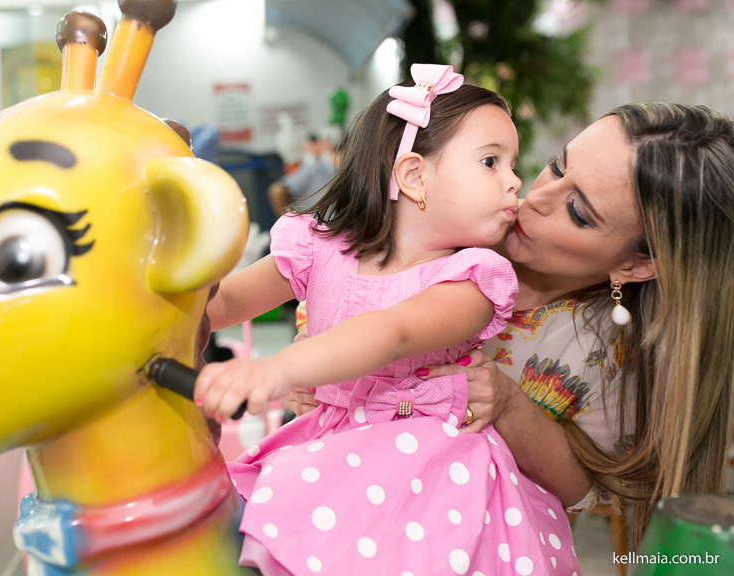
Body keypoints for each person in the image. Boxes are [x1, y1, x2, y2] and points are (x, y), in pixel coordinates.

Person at [286, 101, 734, 553]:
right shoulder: (452, 228)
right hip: (337, 510)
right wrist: (316, 349)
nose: (533, 198)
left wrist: (506, 403)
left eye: (577, 211)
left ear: (636, 265)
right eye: (557, 167)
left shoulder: (615, 351)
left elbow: (583, 492)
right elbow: (340, 282)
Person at [196, 65, 575, 576]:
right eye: (491, 162)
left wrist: (276, 369)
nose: (515, 183)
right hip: (327, 448)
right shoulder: (319, 249)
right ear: (414, 176)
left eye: (512, 163)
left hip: (429, 476)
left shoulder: (473, 279)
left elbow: (392, 332)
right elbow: (221, 302)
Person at [267, 133, 342, 217]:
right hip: (313, 226)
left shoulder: (344, 174)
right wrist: (286, 220)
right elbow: (276, 190)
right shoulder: (316, 168)